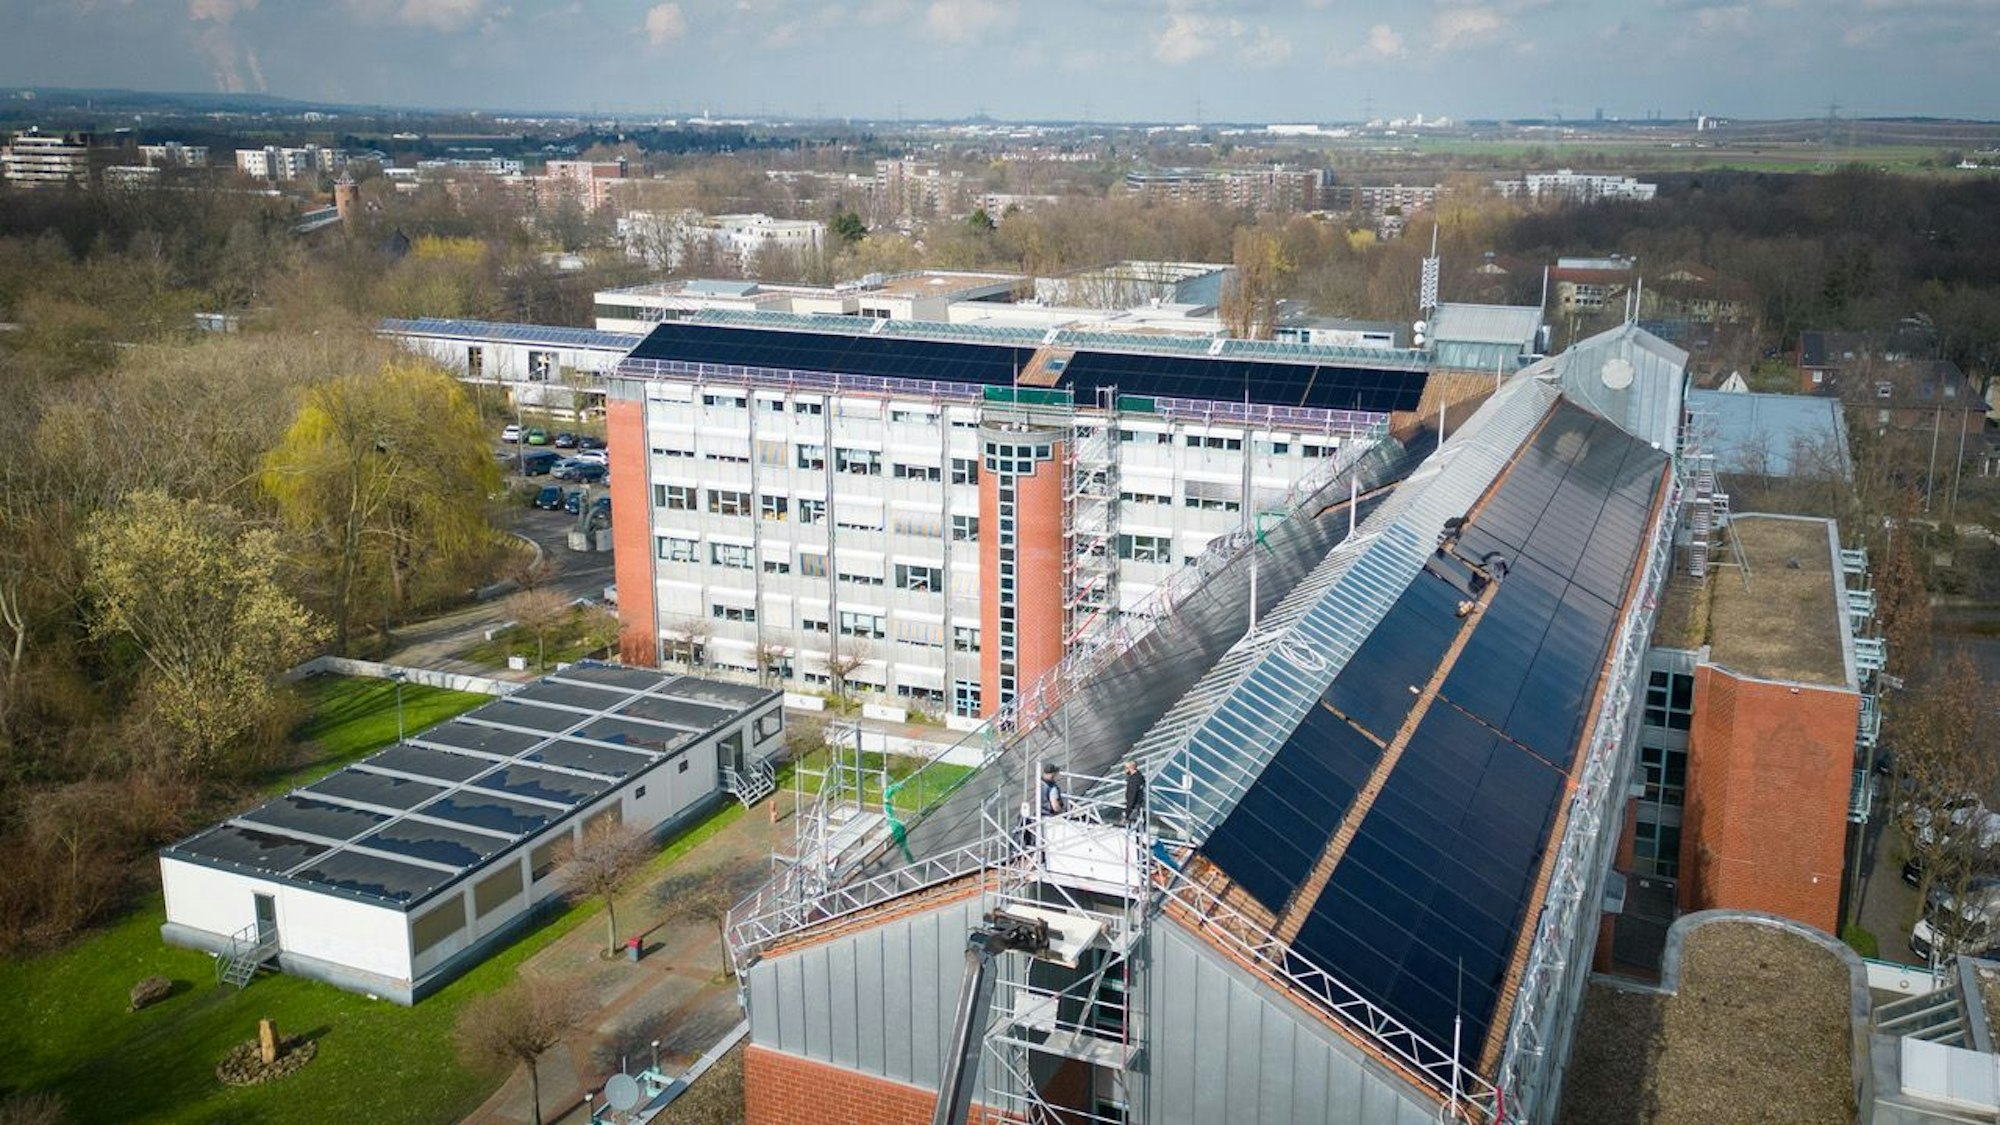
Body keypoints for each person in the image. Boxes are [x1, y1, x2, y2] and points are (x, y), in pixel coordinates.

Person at [1122, 760, 1146, 828]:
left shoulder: (1133, 780)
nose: (1125, 769)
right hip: (1138, 803)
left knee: (1133, 824)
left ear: (1131, 768)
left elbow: (1132, 796)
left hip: (1134, 805)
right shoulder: (1139, 776)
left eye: (1126, 768)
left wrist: (1127, 812)